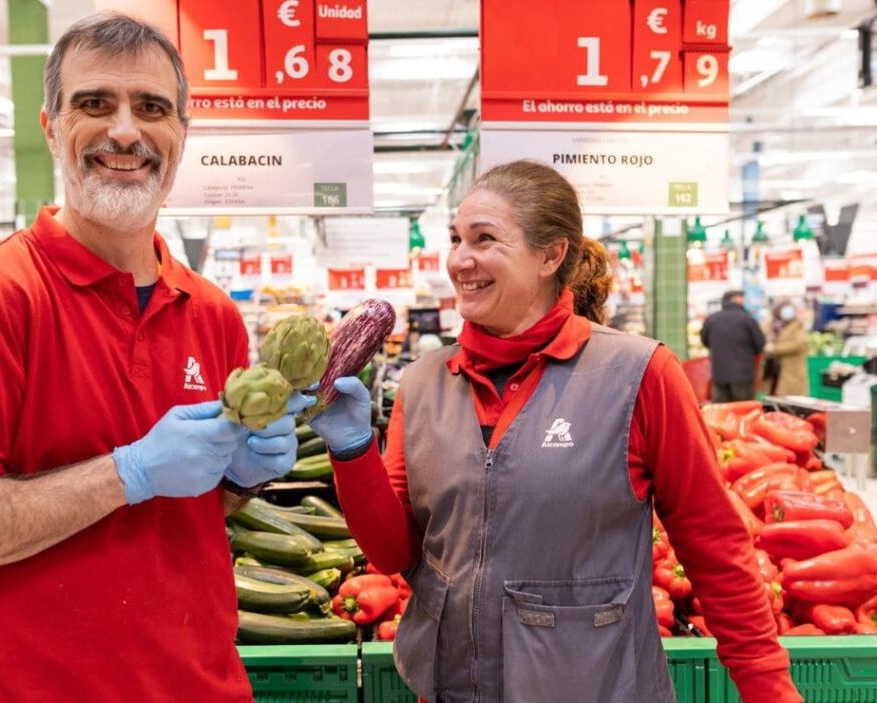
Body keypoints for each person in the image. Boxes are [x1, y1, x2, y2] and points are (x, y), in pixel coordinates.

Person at [0, 13, 306, 702]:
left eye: (153, 108)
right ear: (51, 128)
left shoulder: (215, 314)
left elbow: (180, 522)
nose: (127, 131)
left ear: (182, 135)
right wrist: (126, 472)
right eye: (95, 103)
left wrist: (238, 480)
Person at [307, 161, 800, 702]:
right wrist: (352, 452)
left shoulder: (640, 375)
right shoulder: (425, 384)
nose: (459, 260)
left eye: (485, 239)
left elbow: (716, 549)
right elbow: (394, 553)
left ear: (550, 255)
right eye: (455, 239)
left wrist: (769, 690)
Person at [701, 289, 766, 401]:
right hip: (743, 375)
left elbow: (705, 341)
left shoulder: (712, 319)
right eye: (741, 297)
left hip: (719, 374)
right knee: (743, 411)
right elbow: (760, 344)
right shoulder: (748, 319)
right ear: (735, 300)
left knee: (722, 412)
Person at [764, 299, 810, 396]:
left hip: (790, 369)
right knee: (771, 396)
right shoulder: (769, 324)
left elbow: (799, 344)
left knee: (788, 399)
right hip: (771, 369)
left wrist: (775, 349)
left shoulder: (797, 324)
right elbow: (761, 339)